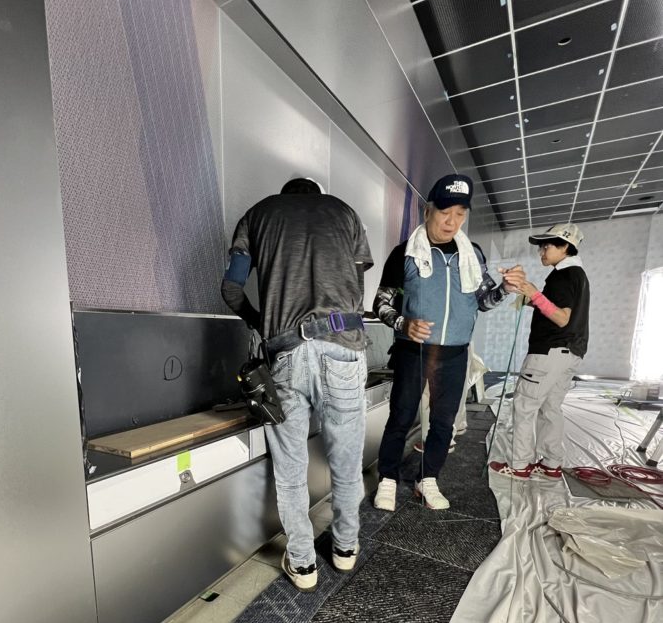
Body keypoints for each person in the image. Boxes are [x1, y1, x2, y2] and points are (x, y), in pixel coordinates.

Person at [221, 177, 373, 592]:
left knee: (290, 468)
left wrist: (262, 322)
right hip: (344, 348)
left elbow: (231, 289)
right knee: (346, 462)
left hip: (286, 351)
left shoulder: (257, 215)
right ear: (318, 198)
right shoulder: (345, 213)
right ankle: (345, 548)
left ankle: (303, 564)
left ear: (284, 197)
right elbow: (356, 290)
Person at [374, 174, 521, 511]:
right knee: (401, 417)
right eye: (445, 212)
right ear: (428, 211)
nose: (452, 221)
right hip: (414, 351)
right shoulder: (404, 253)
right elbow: (381, 303)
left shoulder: (473, 255)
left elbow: (483, 301)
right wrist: (403, 323)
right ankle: (388, 479)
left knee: (444, 422)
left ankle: (427, 479)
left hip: (455, 353)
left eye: (460, 214)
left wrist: (504, 290)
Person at [489, 223, 589, 480]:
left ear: (565, 247)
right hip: (570, 353)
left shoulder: (563, 275)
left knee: (524, 406)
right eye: (541, 247)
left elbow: (562, 318)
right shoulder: (577, 274)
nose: (541, 252)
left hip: (549, 352)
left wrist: (533, 293)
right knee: (550, 408)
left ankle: (520, 465)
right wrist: (528, 297)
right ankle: (551, 463)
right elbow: (556, 309)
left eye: (547, 246)